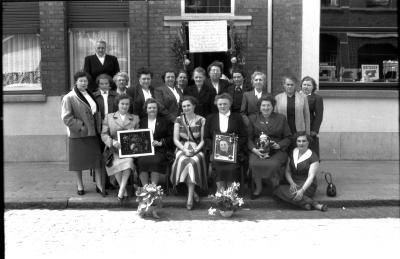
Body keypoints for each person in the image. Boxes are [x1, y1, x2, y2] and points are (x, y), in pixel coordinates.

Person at [61, 71, 106, 196]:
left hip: (93, 133)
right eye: (81, 80)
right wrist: (81, 127)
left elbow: (95, 111)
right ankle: (80, 185)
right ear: (75, 82)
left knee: (96, 160)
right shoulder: (69, 97)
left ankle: (99, 184)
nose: (83, 83)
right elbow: (66, 118)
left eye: (85, 81)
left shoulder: (89, 94)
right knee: (78, 162)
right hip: (79, 135)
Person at [247, 96, 292, 199]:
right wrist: (254, 150)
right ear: (259, 107)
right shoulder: (253, 118)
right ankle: (258, 188)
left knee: (274, 164)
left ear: (273, 107)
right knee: (254, 163)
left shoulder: (281, 118)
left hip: (276, 149)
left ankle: (275, 188)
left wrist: (279, 145)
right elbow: (248, 138)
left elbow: (288, 137)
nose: (266, 108)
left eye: (268, 105)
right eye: (263, 105)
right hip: (258, 149)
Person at [273, 132, 328, 211]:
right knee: (277, 190)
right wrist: (291, 183)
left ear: (308, 142)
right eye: (299, 141)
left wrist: (302, 190)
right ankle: (305, 204)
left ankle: (315, 204)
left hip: (307, 185)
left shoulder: (313, 156)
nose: (301, 143)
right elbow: (287, 171)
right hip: (294, 182)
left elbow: (311, 177)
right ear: (296, 142)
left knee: (290, 193)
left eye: (304, 141)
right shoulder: (292, 152)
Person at [170, 96, 207, 210]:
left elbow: (203, 140)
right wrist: (184, 150)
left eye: (188, 105)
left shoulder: (202, 120)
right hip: (182, 148)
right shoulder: (178, 120)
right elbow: (175, 139)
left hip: (197, 149)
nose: (186, 108)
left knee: (193, 162)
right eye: (184, 106)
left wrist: (196, 150)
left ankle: (190, 196)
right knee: (183, 160)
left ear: (194, 106)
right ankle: (192, 194)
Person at [204, 93, 248, 191]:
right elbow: (206, 138)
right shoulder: (210, 118)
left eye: (225, 104)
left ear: (230, 104)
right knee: (218, 168)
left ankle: (231, 194)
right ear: (216, 104)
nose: (222, 106)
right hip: (217, 154)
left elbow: (244, 136)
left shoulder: (237, 117)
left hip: (233, 154)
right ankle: (221, 193)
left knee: (232, 169)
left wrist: (235, 146)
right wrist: (215, 148)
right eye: (220, 104)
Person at [101, 94, 139, 202]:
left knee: (128, 162)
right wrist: (112, 142)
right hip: (113, 149)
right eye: (122, 103)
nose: (125, 106)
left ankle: (121, 190)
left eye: (127, 104)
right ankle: (124, 191)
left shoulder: (135, 118)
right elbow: (103, 134)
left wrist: (133, 137)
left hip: (128, 150)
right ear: (117, 104)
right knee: (115, 163)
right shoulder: (109, 117)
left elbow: (138, 137)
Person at [136, 98, 173, 186]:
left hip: (159, 150)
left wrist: (161, 142)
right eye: (150, 108)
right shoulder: (141, 122)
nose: (152, 109)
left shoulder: (165, 121)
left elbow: (171, 137)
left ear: (157, 109)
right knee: (141, 162)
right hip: (144, 150)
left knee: (155, 161)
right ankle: (145, 189)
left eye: (154, 108)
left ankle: (153, 188)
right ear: (146, 109)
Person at [300, 76, 324, 157]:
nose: (306, 87)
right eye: (304, 84)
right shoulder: (296, 96)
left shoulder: (317, 98)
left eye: (309, 85)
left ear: (313, 87)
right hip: (297, 126)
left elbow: (319, 116)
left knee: (311, 149)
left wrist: (314, 130)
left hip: (310, 128)